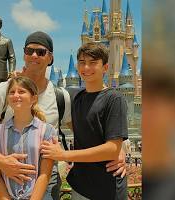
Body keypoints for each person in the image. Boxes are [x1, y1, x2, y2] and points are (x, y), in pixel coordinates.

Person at [0, 31, 126, 200]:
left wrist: (119, 150)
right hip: (7, 181)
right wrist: (1, 162)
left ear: (50, 58)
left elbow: (87, 132)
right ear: (24, 55)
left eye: (41, 52)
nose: (34, 55)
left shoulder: (61, 96)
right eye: (29, 51)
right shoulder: (5, 90)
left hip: (47, 184)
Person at [41, 43, 128, 200]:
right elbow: (45, 89)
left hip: (107, 188)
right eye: (82, 62)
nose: (86, 67)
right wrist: (19, 78)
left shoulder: (114, 99)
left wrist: (64, 155)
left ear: (105, 67)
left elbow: (112, 149)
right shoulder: (76, 98)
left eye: (93, 63)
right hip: (80, 187)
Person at [0, 76, 56, 200]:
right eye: (12, 92)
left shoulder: (47, 131)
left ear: (34, 98)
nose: (16, 95)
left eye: (21, 91)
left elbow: (44, 175)